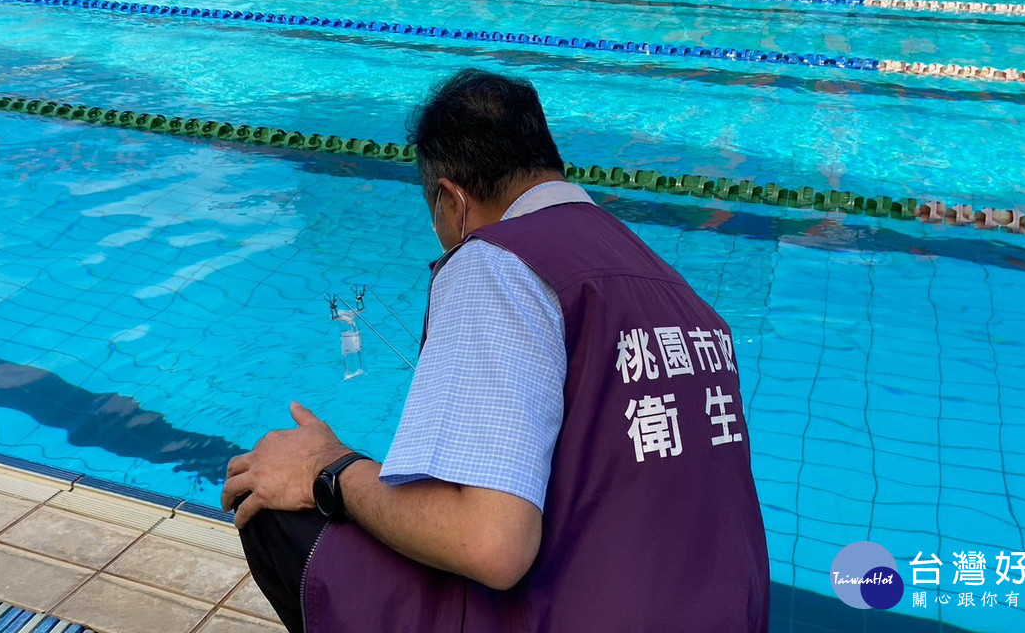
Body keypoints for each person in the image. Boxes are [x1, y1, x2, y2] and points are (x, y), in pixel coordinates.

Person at [222, 69, 770, 633]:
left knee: (275, 506)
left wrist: (326, 469)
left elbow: (489, 543)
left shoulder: (496, 260)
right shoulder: (676, 291)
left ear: (451, 199)